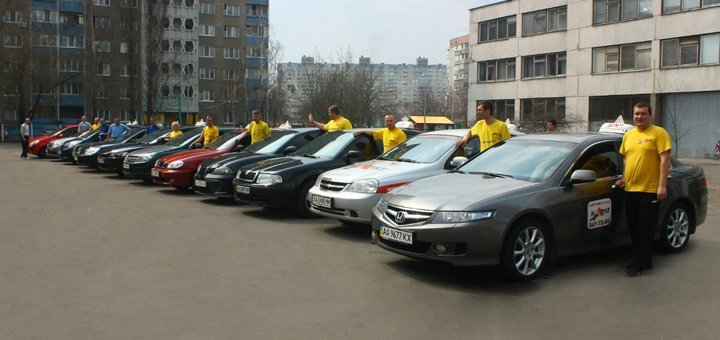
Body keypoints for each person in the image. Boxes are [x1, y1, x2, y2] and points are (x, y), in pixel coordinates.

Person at [615, 102, 671, 277]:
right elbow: (626, 159)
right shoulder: (629, 135)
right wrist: (624, 178)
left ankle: (639, 264)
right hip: (631, 189)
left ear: (650, 115)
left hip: (650, 190)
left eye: (643, 113)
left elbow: (665, 160)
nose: (639, 116)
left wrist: (662, 186)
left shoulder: (659, 133)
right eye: (637, 114)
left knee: (644, 228)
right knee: (633, 227)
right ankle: (646, 260)